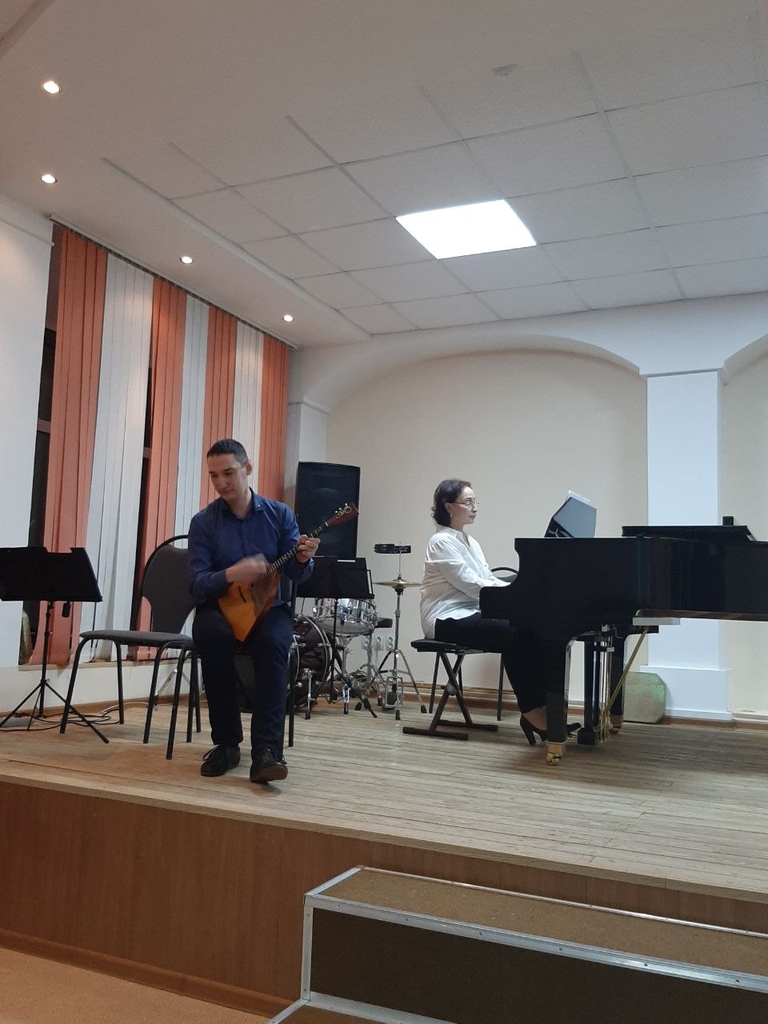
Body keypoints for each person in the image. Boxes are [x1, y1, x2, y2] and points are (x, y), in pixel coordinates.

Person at [188, 439, 319, 783]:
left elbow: (296, 573)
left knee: (274, 642)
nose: (221, 483)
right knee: (211, 634)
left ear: (247, 468)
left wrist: (303, 559)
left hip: (268, 609)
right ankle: (226, 744)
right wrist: (232, 573)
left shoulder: (280, 515)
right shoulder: (203, 522)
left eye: (228, 473)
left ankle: (266, 751)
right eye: (213, 476)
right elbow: (197, 584)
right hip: (219, 608)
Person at [420, 478, 551, 744]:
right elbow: (470, 584)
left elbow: (486, 579)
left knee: (531, 630)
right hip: (446, 618)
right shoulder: (440, 541)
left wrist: (517, 588)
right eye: (468, 502)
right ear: (448, 507)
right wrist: (514, 591)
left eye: (475, 501)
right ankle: (531, 712)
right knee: (514, 634)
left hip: (471, 612)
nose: (474, 507)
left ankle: (543, 706)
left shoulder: (470, 542)